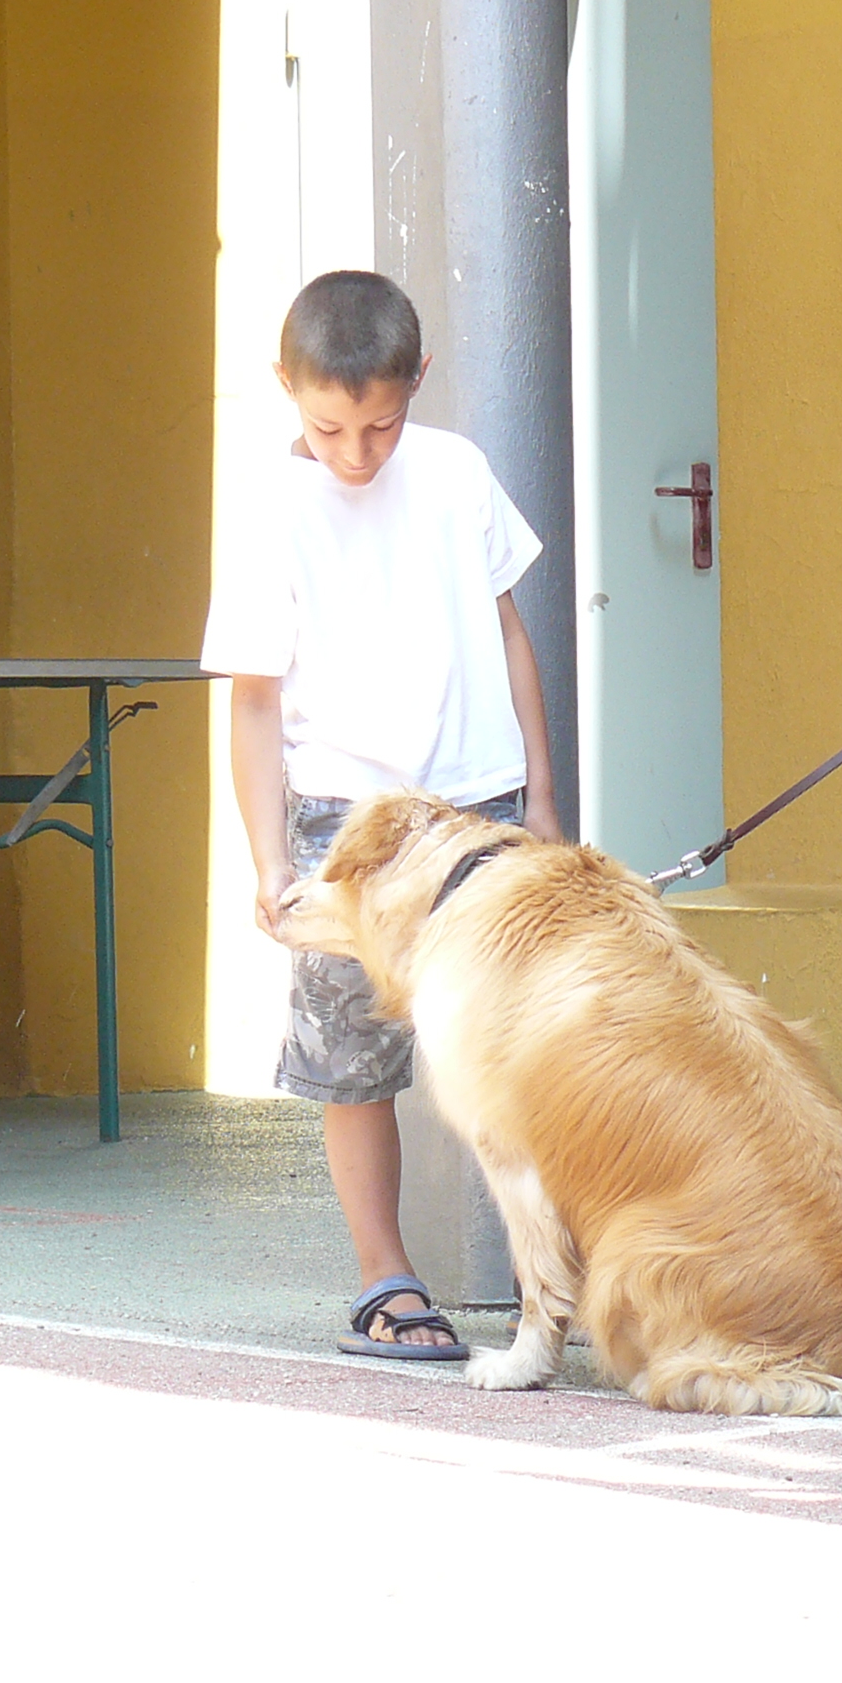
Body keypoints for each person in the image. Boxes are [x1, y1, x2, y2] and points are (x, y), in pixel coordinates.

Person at [201, 269, 562, 1361]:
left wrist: (542, 798)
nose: (357, 453)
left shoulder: (455, 471)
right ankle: (384, 1277)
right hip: (342, 824)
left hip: (479, 803)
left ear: (418, 381)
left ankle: (557, 1278)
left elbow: (509, 633)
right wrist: (269, 858)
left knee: (522, 1044)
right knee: (350, 1059)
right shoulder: (269, 509)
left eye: (381, 425)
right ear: (284, 386)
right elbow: (253, 698)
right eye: (330, 429)